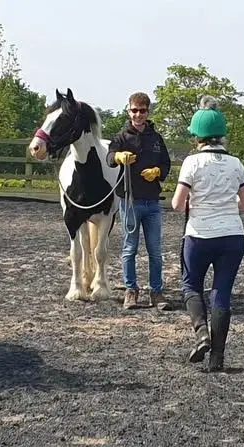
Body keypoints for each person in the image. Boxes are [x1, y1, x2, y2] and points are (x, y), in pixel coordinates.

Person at [171, 95, 244, 372]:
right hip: (232, 236)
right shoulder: (236, 164)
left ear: (197, 136)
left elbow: (176, 203)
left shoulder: (191, 163)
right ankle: (218, 357)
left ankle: (201, 333)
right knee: (222, 293)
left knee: (190, 286)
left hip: (198, 235)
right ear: (222, 135)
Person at [106, 92, 172, 310]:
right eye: (134, 110)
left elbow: (166, 164)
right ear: (129, 111)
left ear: (147, 112)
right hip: (130, 200)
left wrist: (158, 171)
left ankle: (156, 291)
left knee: (155, 250)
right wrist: (118, 157)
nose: (138, 115)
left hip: (152, 201)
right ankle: (131, 290)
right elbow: (110, 156)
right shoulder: (122, 137)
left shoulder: (156, 138)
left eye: (142, 111)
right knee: (129, 248)